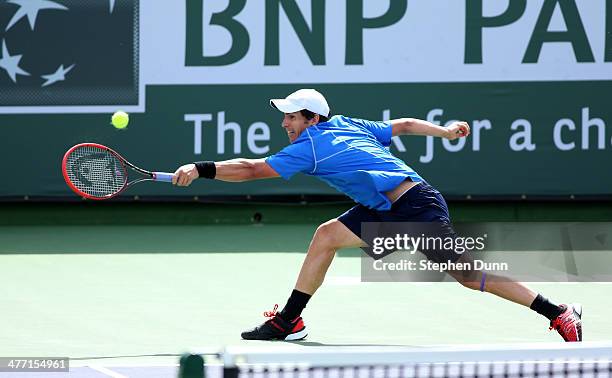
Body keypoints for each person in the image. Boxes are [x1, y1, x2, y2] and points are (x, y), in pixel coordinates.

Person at [172, 89, 582, 342]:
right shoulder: (349, 123)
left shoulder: (311, 143)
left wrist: (201, 168)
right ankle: (288, 321)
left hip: (416, 206)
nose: (285, 123)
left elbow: (251, 170)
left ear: (313, 119)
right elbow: (402, 124)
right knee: (327, 236)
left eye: (292, 116)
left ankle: (557, 312)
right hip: (384, 208)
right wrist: (445, 131)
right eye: (285, 116)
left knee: (466, 274)